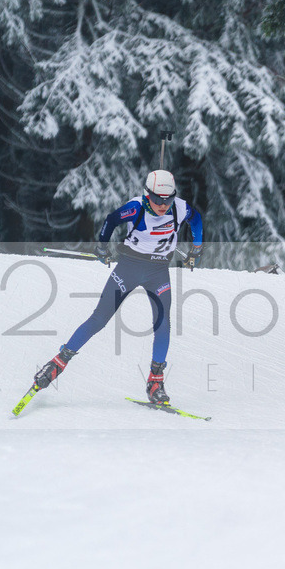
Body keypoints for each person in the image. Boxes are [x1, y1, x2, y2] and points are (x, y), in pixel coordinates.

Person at [34, 170, 203, 404]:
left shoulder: (179, 208)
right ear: (147, 195)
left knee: (163, 324)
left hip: (158, 272)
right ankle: (57, 363)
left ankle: (156, 381)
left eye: (168, 199)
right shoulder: (135, 207)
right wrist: (102, 248)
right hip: (129, 268)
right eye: (157, 199)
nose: (163, 205)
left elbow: (197, 219)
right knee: (99, 319)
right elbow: (111, 220)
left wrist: (196, 248)